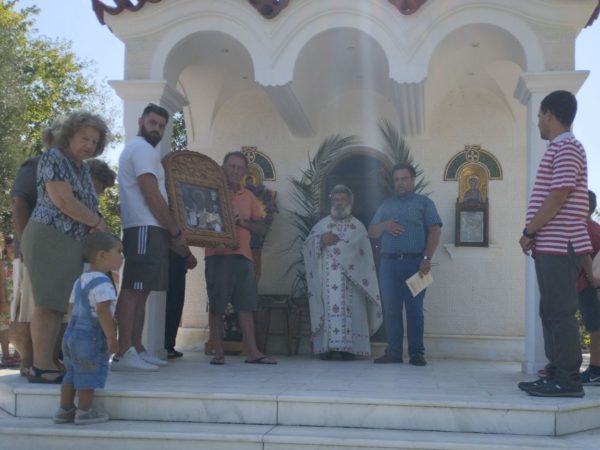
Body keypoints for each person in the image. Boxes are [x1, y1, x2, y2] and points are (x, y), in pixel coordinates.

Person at [21, 111, 110, 383]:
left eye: (94, 141)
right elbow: (63, 200)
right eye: (85, 138)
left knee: (58, 303)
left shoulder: (81, 168)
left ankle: (48, 360)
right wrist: (97, 222)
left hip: (69, 241)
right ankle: (40, 366)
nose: (89, 145)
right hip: (50, 236)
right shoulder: (54, 157)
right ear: (69, 135)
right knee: (48, 302)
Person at [112, 103, 197, 372]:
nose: (156, 129)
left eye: (161, 125)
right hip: (143, 227)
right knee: (133, 289)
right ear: (141, 121)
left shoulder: (146, 151)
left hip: (151, 228)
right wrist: (174, 231)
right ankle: (124, 351)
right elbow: (151, 194)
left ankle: (137, 348)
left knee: (142, 291)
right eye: (152, 123)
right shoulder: (141, 149)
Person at [517, 90, 591, 398]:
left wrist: (530, 231)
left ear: (549, 114)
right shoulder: (559, 148)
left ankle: (568, 380)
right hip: (551, 245)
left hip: (561, 245)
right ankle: (557, 374)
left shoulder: (567, 147)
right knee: (550, 311)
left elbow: (559, 195)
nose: (537, 122)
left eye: (539, 115)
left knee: (559, 312)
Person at [205, 151, 276, 365]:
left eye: (239, 167)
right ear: (224, 167)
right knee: (217, 306)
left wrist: (242, 222)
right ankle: (218, 352)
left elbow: (262, 228)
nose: (235, 170)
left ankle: (253, 352)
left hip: (243, 256)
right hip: (217, 255)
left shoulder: (249, 196)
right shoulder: (211, 192)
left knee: (246, 306)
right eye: (231, 166)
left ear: (244, 171)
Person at [368, 163, 442, 366]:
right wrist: (385, 225)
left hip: (415, 263)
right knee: (391, 310)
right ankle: (393, 353)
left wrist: (426, 258)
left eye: (404, 179)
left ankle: (416, 354)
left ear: (413, 180)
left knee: (415, 310)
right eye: (397, 180)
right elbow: (372, 231)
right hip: (389, 265)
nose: (400, 183)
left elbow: (435, 230)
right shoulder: (386, 205)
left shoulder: (424, 203)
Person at [302, 185, 383, 360]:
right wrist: (320, 241)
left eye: (343, 199)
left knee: (353, 313)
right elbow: (307, 247)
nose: (339, 203)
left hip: (352, 281)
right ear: (331, 201)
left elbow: (365, 258)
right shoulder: (322, 225)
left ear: (350, 202)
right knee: (328, 312)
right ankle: (327, 348)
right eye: (336, 199)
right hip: (326, 282)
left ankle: (350, 349)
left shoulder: (358, 227)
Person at [53, 232, 122, 425]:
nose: (122, 257)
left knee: (71, 372)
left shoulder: (80, 280)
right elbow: (102, 311)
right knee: (87, 373)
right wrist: (112, 338)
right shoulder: (104, 282)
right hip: (90, 337)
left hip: (71, 334)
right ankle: (84, 411)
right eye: (118, 251)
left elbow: (71, 308)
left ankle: (65, 409)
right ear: (102, 255)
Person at [9, 155, 40, 376]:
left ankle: (41, 361)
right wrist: (27, 247)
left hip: (54, 256)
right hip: (30, 255)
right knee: (25, 312)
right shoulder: (35, 165)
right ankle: (28, 363)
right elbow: (19, 204)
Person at [577, 190, 600, 385]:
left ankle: (595, 370)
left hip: (588, 285)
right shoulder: (596, 228)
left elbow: (584, 255)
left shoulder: (582, 229)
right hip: (591, 284)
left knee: (595, 326)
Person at [164, 250, 187, 359]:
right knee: (172, 304)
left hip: (178, 260)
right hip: (170, 259)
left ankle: (169, 346)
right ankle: (166, 346)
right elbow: (174, 241)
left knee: (176, 304)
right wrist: (188, 255)